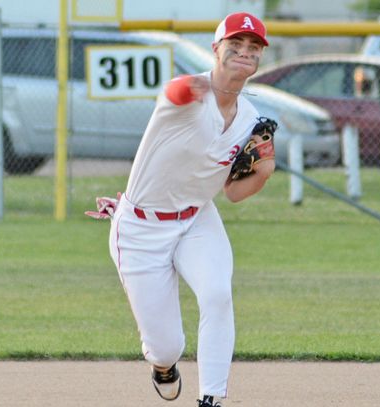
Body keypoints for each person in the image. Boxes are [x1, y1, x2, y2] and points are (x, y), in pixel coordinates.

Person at [92, 12, 274, 407]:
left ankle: (212, 398)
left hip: (196, 217)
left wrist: (264, 171)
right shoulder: (185, 98)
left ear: (259, 58)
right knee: (165, 347)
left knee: (217, 294)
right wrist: (190, 86)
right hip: (141, 229)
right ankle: (162, 366)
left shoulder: (249, 120)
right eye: (236, 45)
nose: (244, 52)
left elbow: (234, 194)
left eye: (253, 47)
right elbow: (174, 93)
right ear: (216, 49)